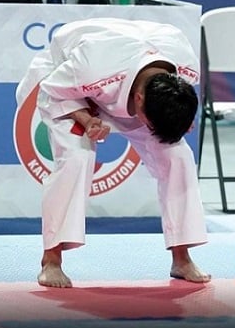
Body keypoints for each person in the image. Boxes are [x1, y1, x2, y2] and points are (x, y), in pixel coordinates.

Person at [16, 18, 210, 288]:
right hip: (71, 89)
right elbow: (52, 91)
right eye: (149, 122)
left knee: (178, 157)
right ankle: (51, 260)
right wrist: (86, 119)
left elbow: (180, 104)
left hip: (130, 81)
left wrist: (179, 122)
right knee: (77, 157)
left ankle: (182, 257)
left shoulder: (184, 66)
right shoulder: (93, 63)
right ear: (140, 100)